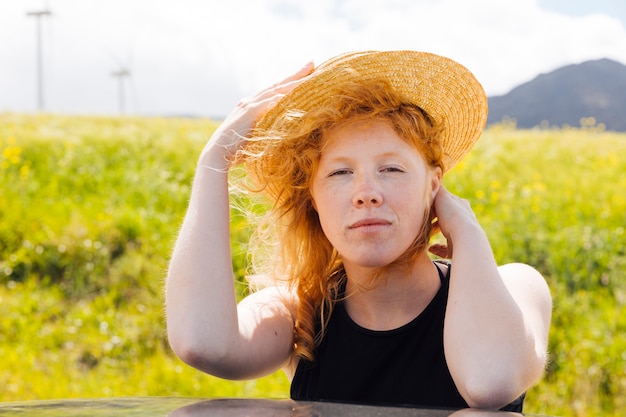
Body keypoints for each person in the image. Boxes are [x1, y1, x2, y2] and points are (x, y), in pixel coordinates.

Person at [165, 50, 552, 412]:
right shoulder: (299, 312)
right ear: (313, 199)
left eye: (392, 169)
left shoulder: (518, 286)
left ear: (433, 186)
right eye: (340, 173)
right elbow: (204, 344)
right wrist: (214, 160)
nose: (366, 194)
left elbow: (490, 384)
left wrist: (465, 231)